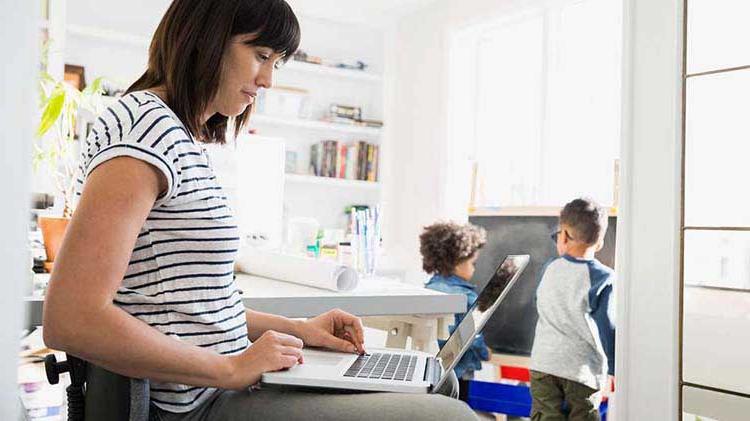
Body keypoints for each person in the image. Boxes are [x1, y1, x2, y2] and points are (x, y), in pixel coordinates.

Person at [42, 1, 477, 420]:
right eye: (261, 55)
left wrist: (299, 329)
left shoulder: (178, 134)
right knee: (448, 415)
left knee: (438, 382)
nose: (268, 79)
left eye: (277, 62)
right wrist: (230, 369)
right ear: (206, 39)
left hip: (224, 386)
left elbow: (192, 309)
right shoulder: (144, 125)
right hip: (201, 402)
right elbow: (71, 319)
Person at [529, 198, 616, 421]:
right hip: (582, 370)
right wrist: (615, 368)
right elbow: (607, 327)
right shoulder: (603, 278)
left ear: (564, 235)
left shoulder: (550, 268)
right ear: (599, 243)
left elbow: (538, 302)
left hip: (544, 364)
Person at [419, 222, 491, 388]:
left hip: (430, 370)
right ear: (457, 262)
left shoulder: (428, 290)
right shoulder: (465, 297)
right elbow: (473, 337)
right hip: (457, 372)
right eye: (473, 263)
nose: (474, 269)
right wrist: (485, 353)